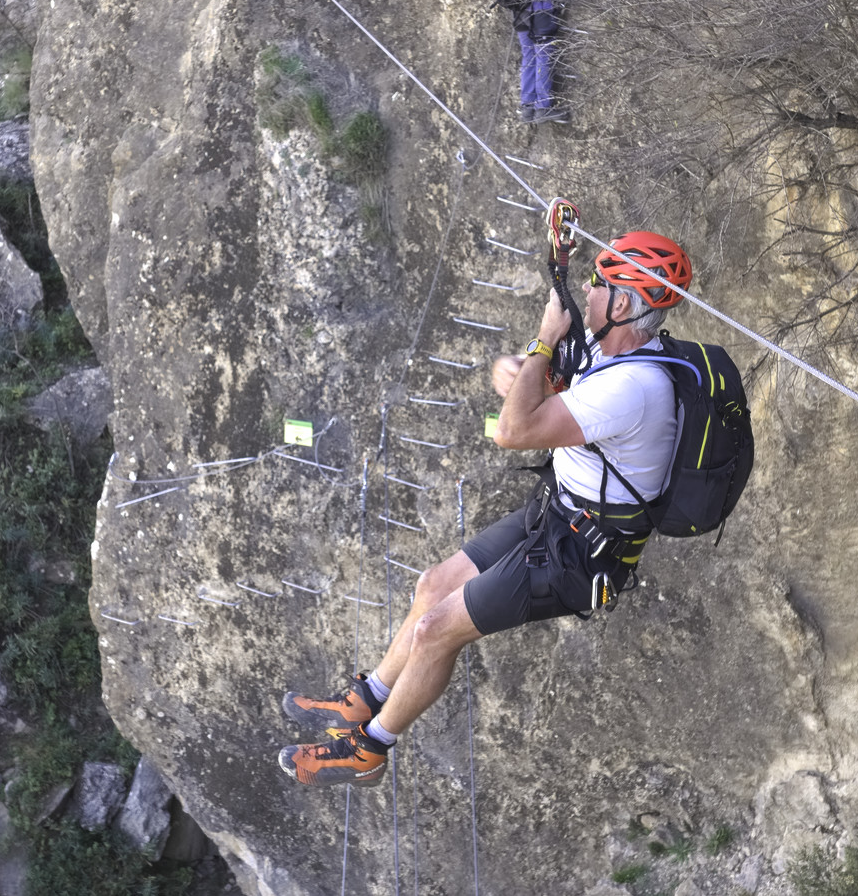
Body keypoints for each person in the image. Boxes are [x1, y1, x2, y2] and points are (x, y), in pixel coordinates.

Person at [276, 232, 693, 786]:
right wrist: (525, 364)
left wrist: (546, 338)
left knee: (435, 629)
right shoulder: (610, 351)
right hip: (556, 515)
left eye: (599, 282)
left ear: (622, 304)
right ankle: (367, 699)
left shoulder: (634, 386)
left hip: (580, 555)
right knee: (432, 584)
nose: (588, 290)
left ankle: (370, 750)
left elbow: (514, 429)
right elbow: (534, 378)